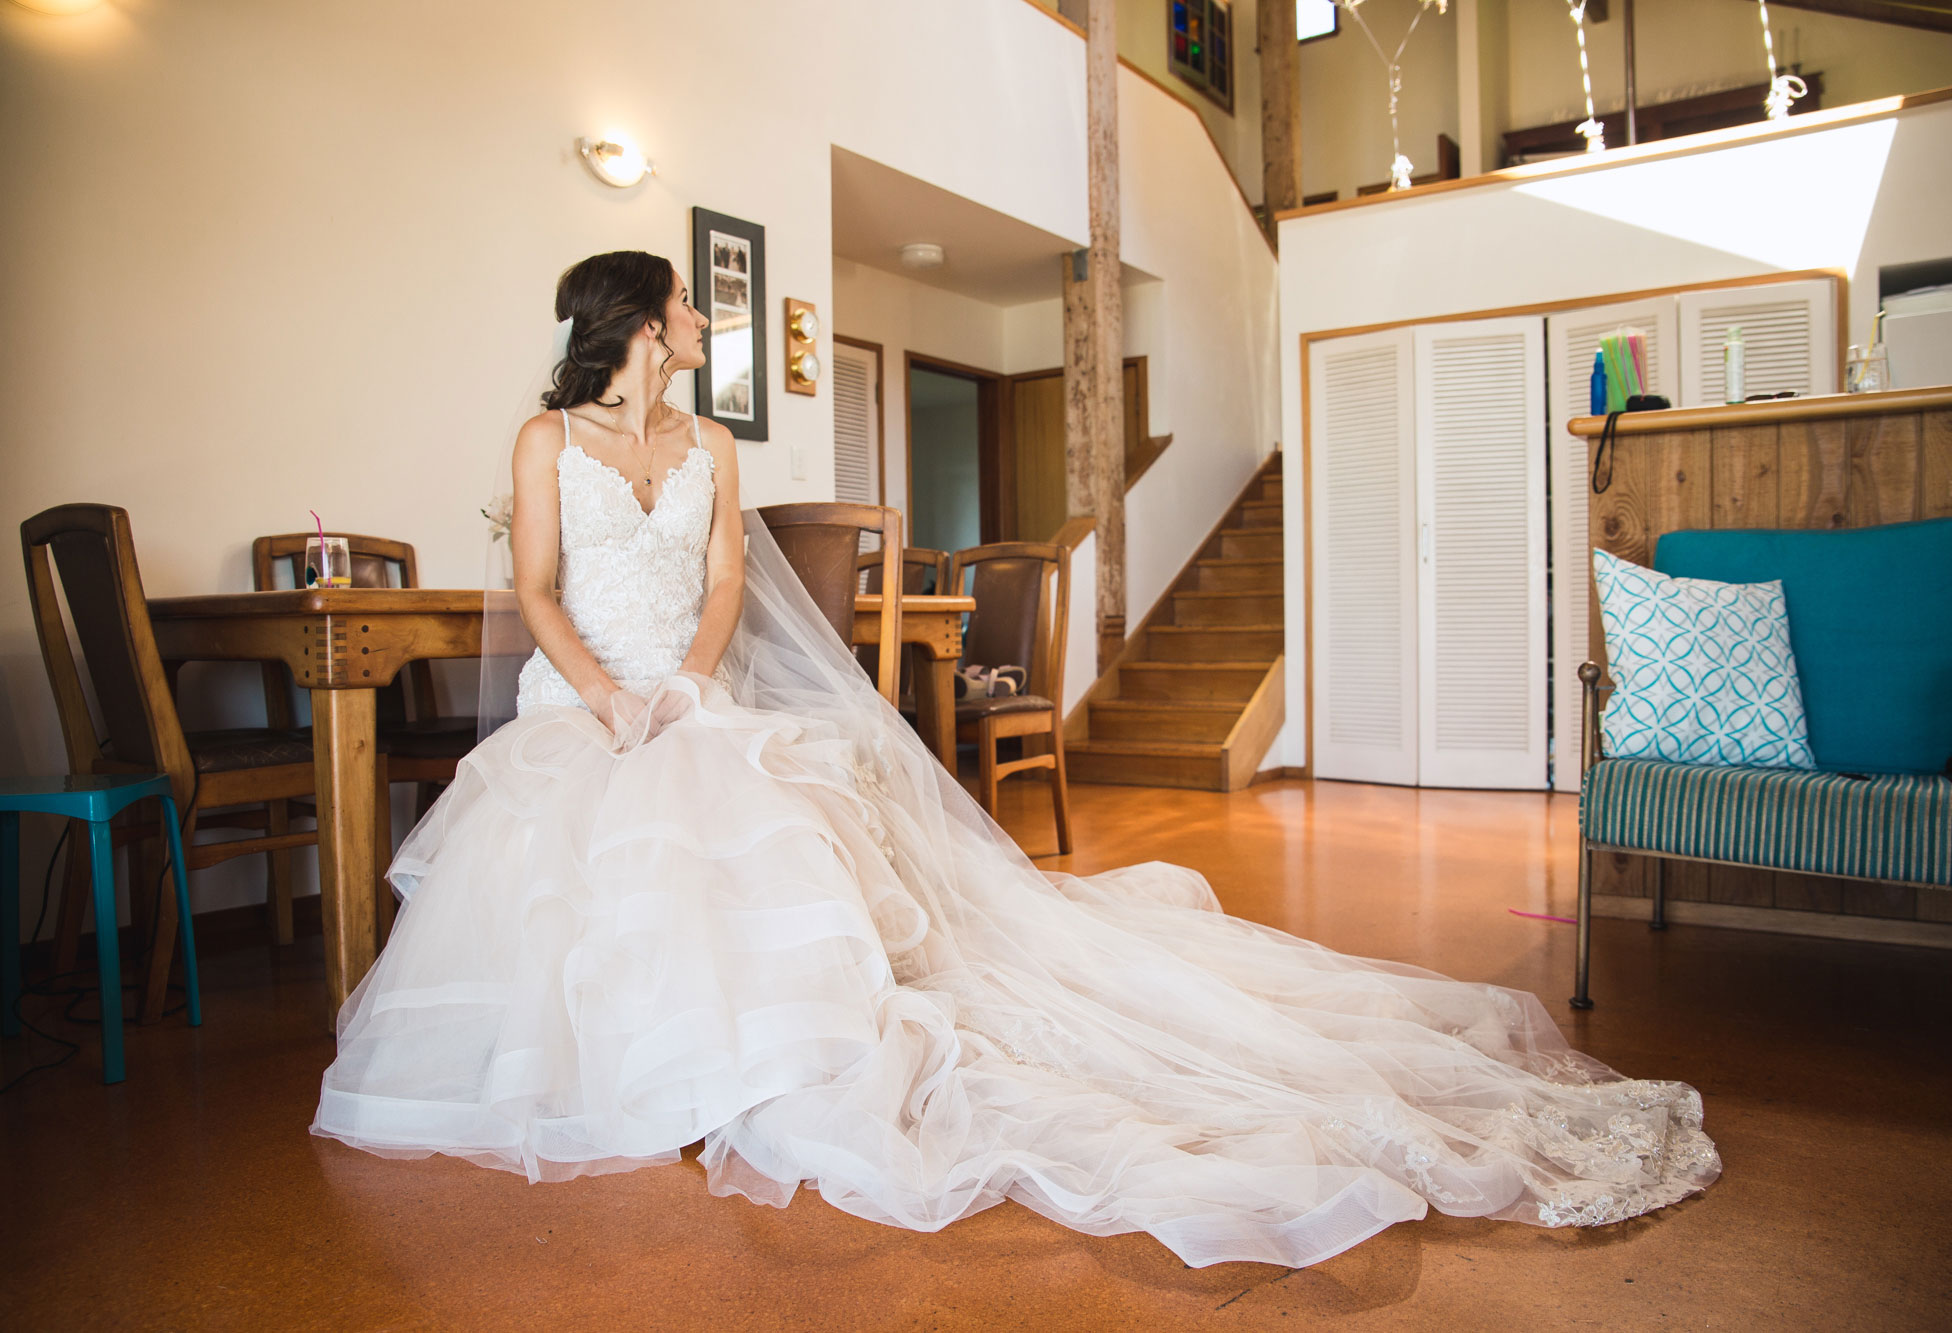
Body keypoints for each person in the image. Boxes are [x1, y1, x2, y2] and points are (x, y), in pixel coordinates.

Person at [311, 250, 1718, 1268]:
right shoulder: (545, 436)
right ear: (635, 318)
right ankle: (641, 1063)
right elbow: (542, 592)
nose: (695, 321)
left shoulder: (714, 448)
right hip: (581, 707)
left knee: (760, 810)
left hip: (684, 696)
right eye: (685, 304)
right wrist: (608, 699)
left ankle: (778, 1038)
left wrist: (681, 684)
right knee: (583, 848)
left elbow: (729, 587)